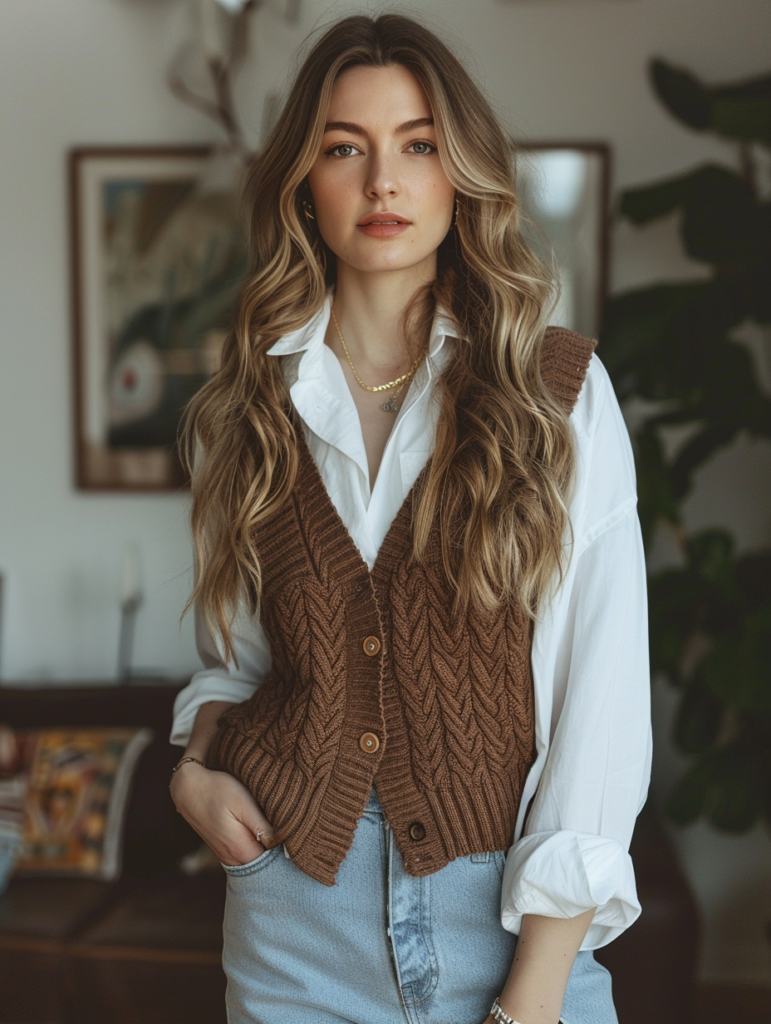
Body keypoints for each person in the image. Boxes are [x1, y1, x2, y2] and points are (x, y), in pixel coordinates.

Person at [168, 13, 652, 1024]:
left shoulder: (555, 393)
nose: (383, 180)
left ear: (459, 171)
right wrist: (195, 774)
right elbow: (238, 663)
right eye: (346, 148)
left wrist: (535, 992)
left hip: (511, 924)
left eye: (418, 145)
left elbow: (599, 698)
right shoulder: (248, 404)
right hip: (294, 920)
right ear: (306, 179)